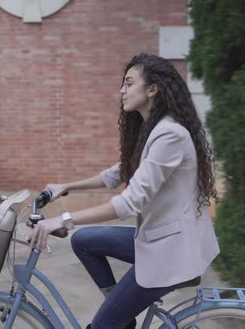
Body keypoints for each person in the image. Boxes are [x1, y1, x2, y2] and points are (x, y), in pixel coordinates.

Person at [28, 53, 220, 329]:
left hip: (171, 252)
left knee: (102, 324)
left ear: (152, 89)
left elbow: (128, 204)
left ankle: (113, 320)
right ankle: (122, 319)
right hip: (161, 238)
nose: (122, 90)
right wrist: (66, 187)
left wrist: (63, 219)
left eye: (129, 83)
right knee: (84, 241)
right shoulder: (154, 128)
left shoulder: (170, 135)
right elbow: (117, 173)